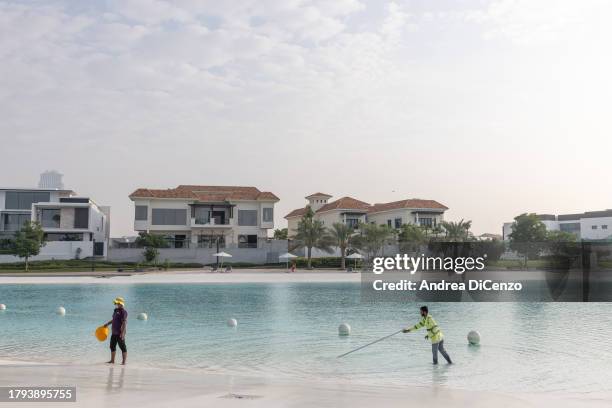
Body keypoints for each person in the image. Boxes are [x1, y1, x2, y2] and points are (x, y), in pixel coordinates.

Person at [103, 297, 128, 365]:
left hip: (120, 333)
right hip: (114, 332)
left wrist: (122, 333)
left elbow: (124, 323)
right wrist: (107, 324)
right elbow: (113, 319)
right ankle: (112, 360)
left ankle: (123, 362)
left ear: (121, 303)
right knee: (112, 346)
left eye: (117, 303)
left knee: (122, 347)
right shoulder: (115, 310)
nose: (116, 304)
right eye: (116, 303)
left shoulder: (123, 312)